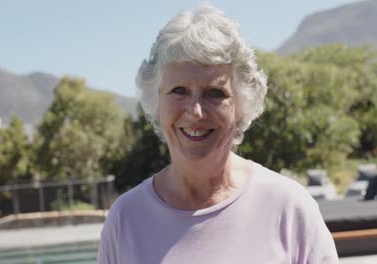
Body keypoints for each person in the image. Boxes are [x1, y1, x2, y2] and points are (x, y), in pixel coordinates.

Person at [98, 5, 339, 264]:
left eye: (215, 93)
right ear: (156, 102)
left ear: (242, 105)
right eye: (179, 91)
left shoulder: (290, 207)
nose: (195, 112)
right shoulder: (126, 219)